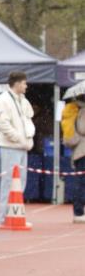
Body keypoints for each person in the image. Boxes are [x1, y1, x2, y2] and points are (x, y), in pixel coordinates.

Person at [0, 70, 35, 223]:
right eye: (24, 83)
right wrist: (18, 138)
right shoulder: (2, 100)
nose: (26, 86)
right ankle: (3, 216)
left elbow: (28, 119)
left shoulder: (22, 100)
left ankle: (15, 214)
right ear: (16, 83)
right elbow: (3, 125)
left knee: (20, 182)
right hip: (11, 147)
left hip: (23, 147)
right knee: (9, 182)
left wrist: (28, 138)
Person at [61, 91, 85, 223]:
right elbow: (82, 128)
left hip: (80, 152)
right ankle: (79, 211)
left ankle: (79, 210)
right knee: (81, 183)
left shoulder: (77, 109)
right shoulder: (81, 111)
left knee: (81, 182)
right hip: (82, 152)